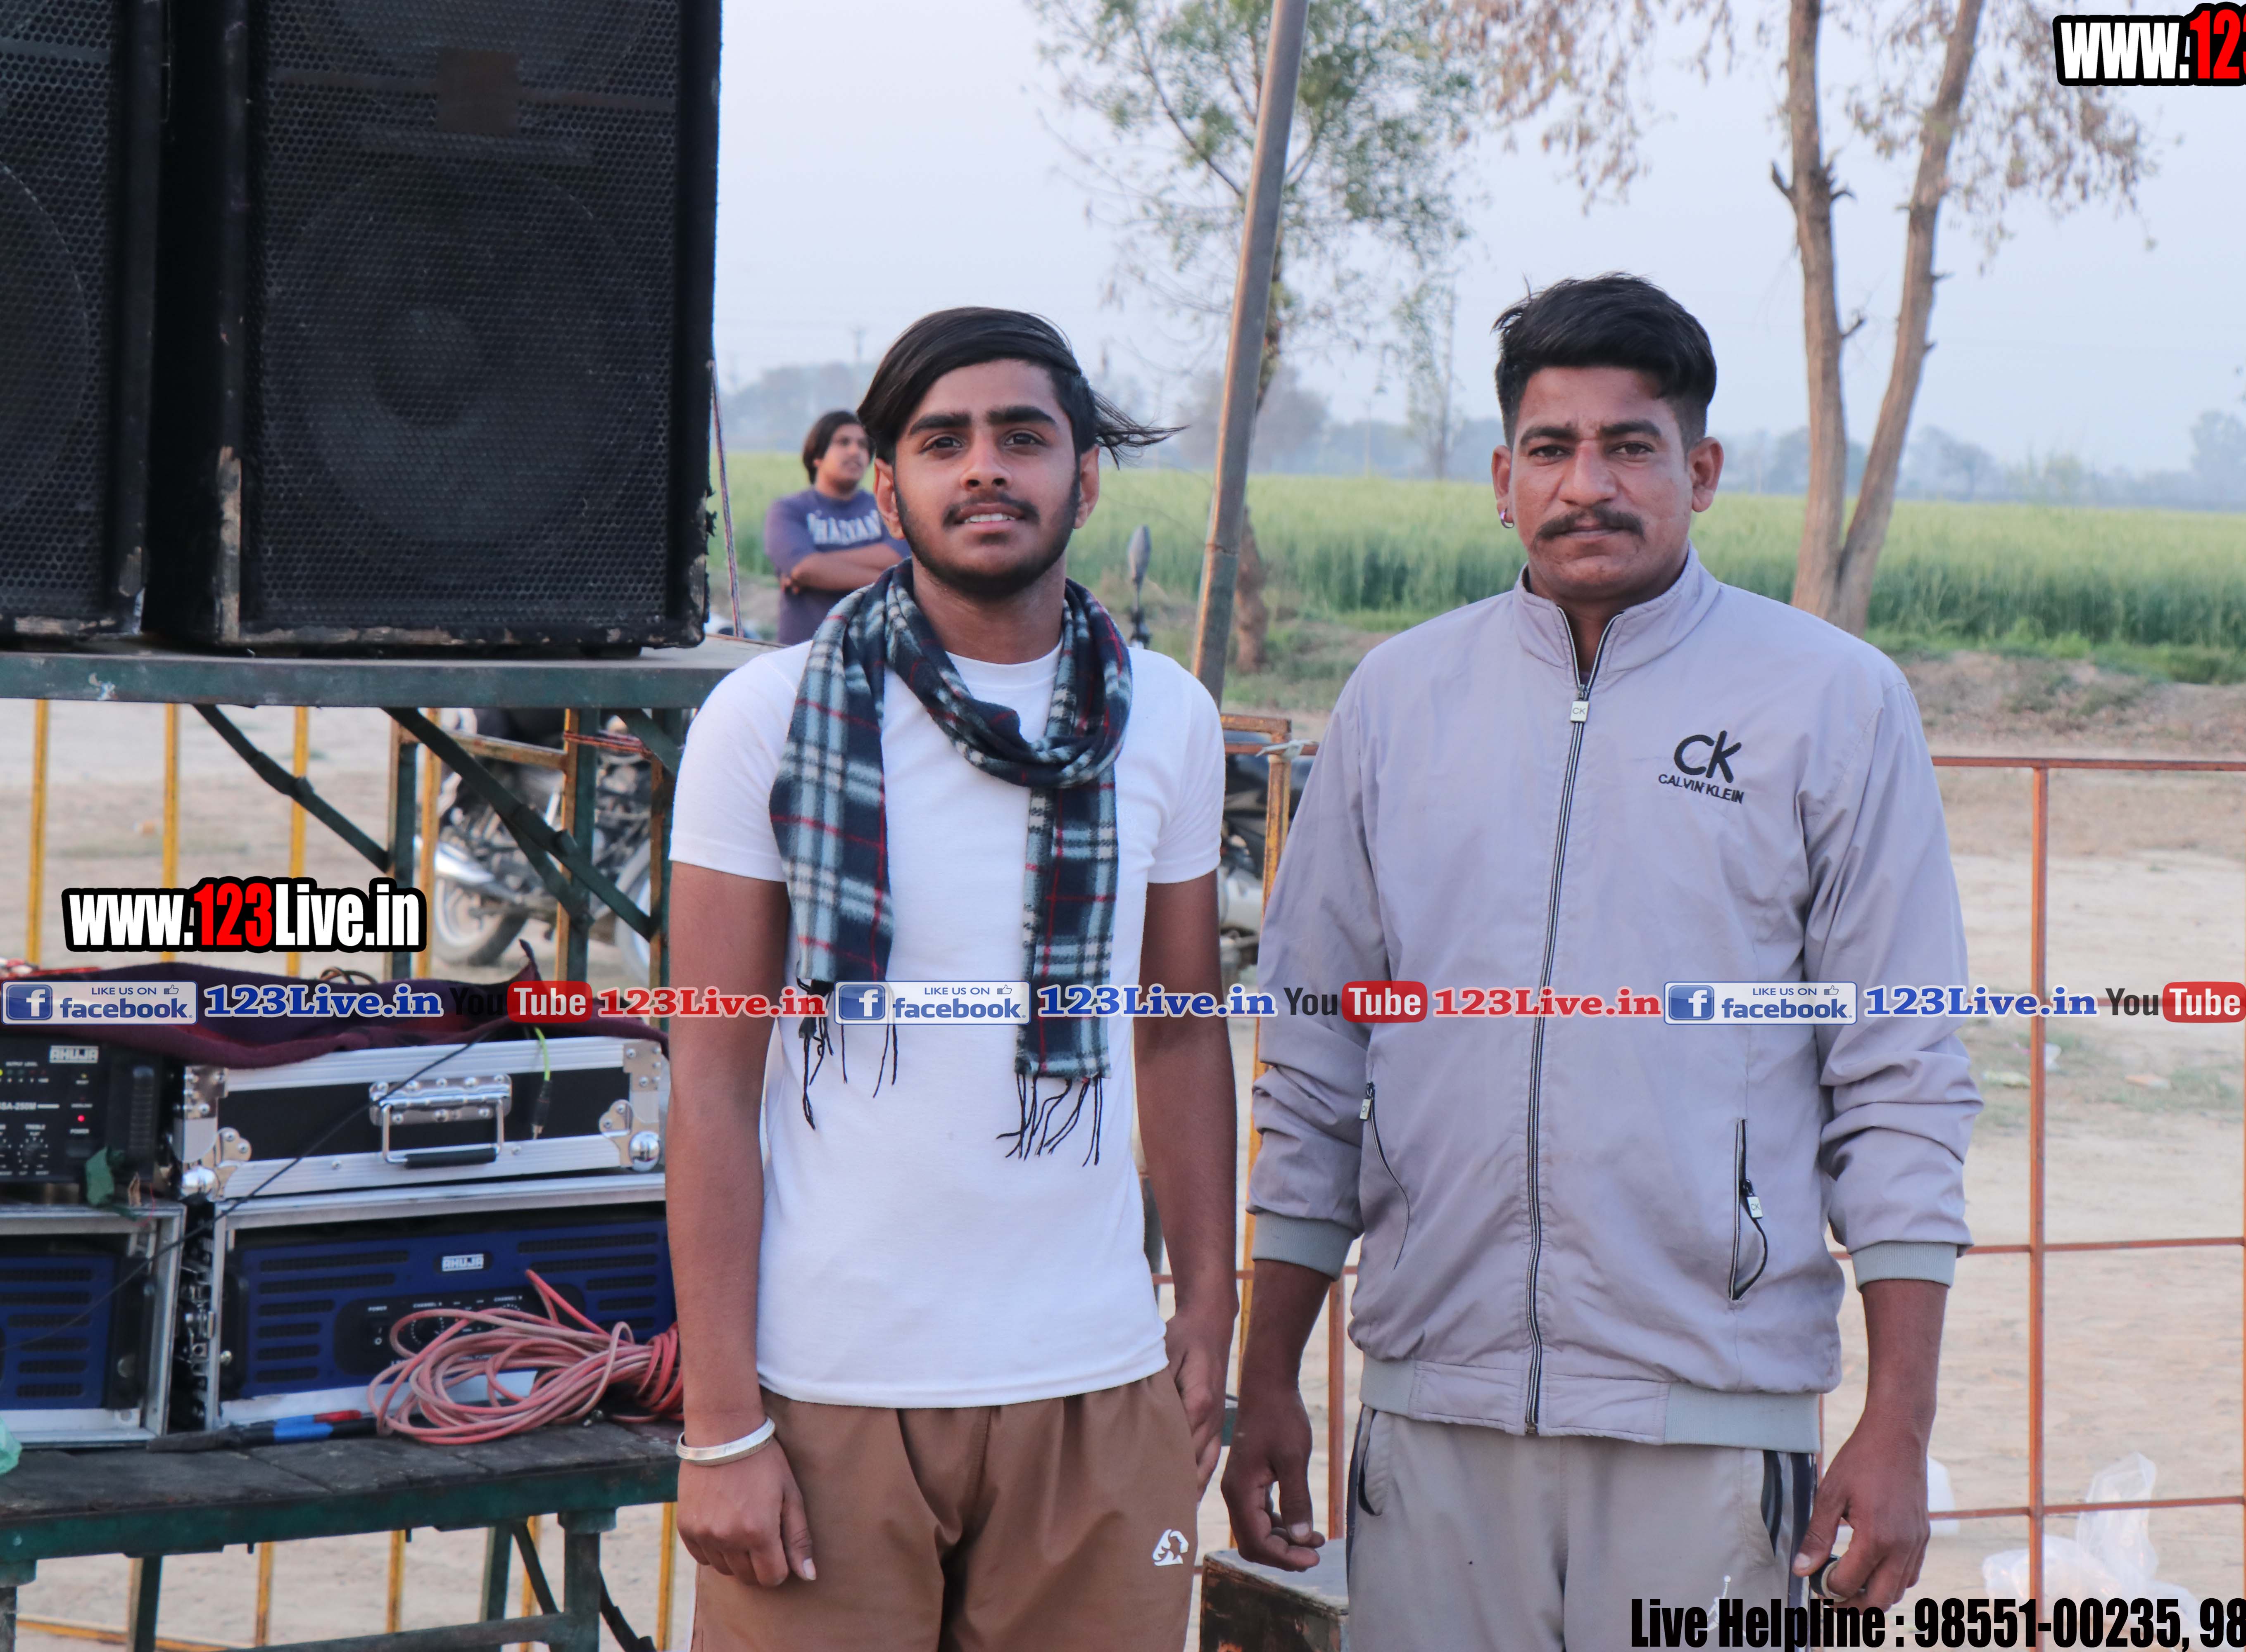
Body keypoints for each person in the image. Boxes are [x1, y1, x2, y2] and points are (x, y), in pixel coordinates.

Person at [1224, 273, 1982, 1647]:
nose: (1589, 484)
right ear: (1501, 477)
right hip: (1434, 1409)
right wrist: (1269, 1370)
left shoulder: (1832, 703)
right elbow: (1316, 1056)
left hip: (1714, 1421)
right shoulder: (1399, 702)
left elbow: (1902, 1071)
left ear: (1701, 471)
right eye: (1553, 448)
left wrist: (1901, 1423)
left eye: (1632, 446)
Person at [665, 308, 1235, 1650]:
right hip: (829, 1389)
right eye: (943, 441)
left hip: (1096, 1384)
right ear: (889, 484)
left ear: (1084, 482)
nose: (984, 466)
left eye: (1023, 436)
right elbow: (712, 1080)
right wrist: (721, 1423)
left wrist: (1208, 1308)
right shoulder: (767, 718)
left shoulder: (1170, 716)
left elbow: (1178, 1036)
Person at [763, 409, 909, 644]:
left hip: (875, 649)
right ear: (816, 455)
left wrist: (815, 563)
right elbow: (806, 570)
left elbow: (897, 558)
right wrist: (892, 581)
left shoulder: (887, 508)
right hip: (804, 649)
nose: (855, 451)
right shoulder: (788, 510)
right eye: (843, 442)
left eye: (863, 445)